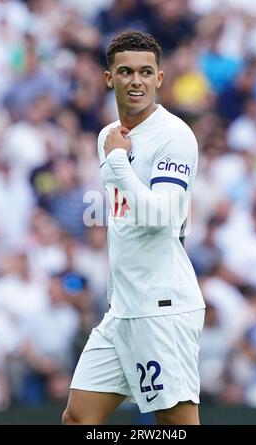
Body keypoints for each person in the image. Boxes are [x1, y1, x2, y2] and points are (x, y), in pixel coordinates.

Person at [62, 30, 206, 425]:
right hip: (123, 310)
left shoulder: (175, 137)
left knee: (177, 427)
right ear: (109, 78)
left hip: (162, 309)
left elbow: (162, 217)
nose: (136, 81)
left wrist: (119, 164)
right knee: (77, 418)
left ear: (160, 78)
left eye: (146, 72)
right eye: (125, 71)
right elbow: (124, 221)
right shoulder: (108, 138)